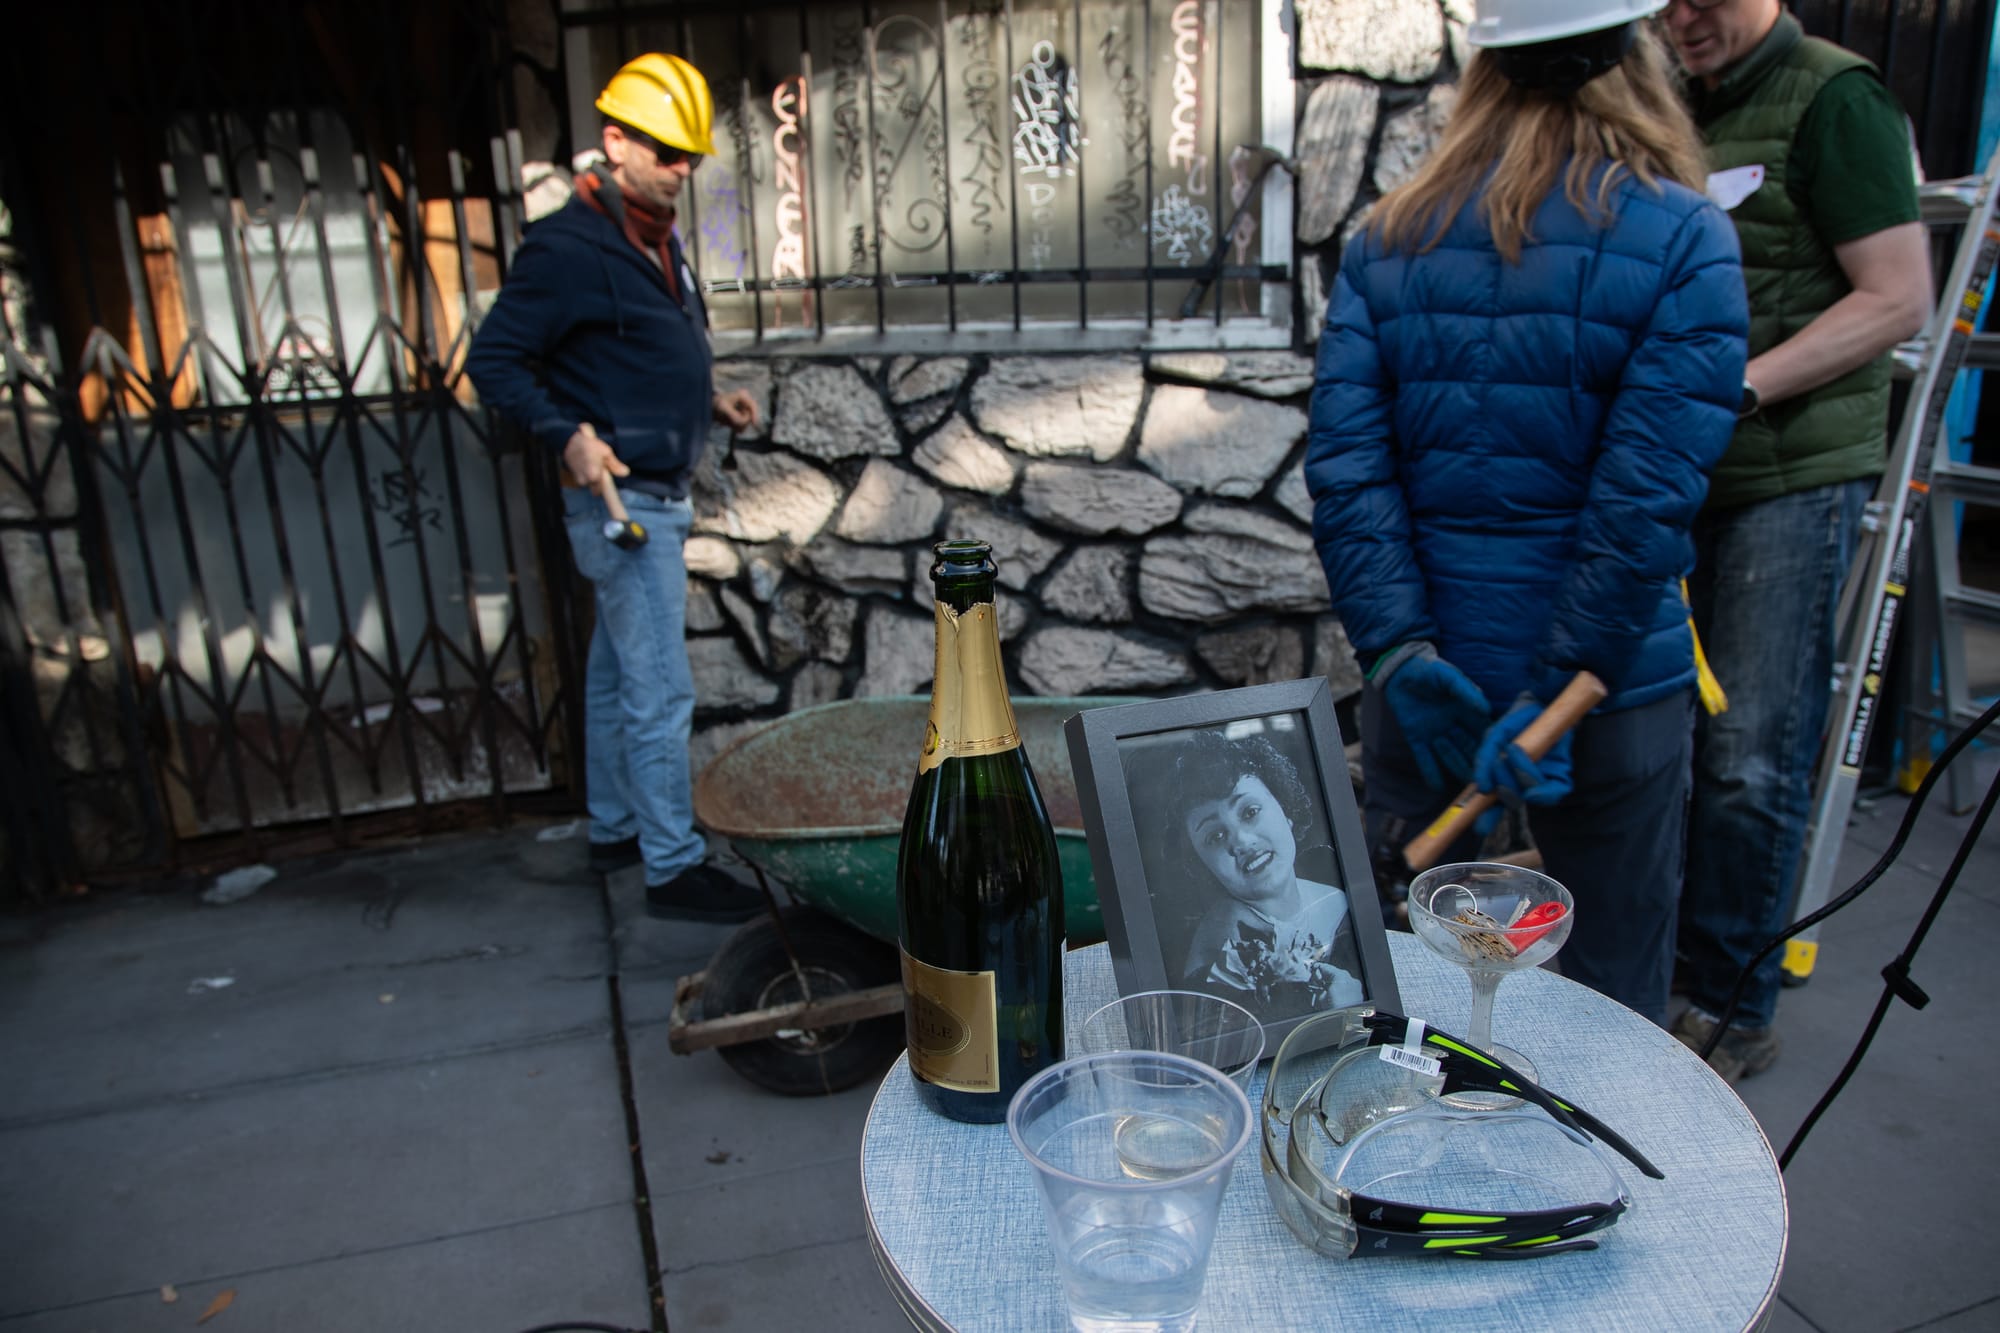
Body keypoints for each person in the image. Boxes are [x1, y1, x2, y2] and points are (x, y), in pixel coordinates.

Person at [1305, 0, 1749, 1026]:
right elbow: (1640, 503)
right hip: (1603, 695)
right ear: (1633, 55)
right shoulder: (1684, 238)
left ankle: (1400, 1175)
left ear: (1483, 73)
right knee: (1610, 989)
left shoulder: (1384, 241)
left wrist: (1398, 659)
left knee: (1406, 986)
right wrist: (1554, 690)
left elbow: (1346, 474)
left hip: (1429, 687)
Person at [1661, 0, 1930, 1077]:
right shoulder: (1668, 103)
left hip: (1787, 472)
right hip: (1672, 471)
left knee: (1745, 754)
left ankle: (1730, 1004)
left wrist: (1739, 387)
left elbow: (1896, 297)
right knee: (1660, 744)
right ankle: (1667, 969)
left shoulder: (1833, 96)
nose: (1681, 17)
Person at [467, 53, 762, 922]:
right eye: (669, 151)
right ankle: (672, 866)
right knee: (659, 688)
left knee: (610, 672)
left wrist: (709, 396)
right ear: (615, 140)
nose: (682, 169)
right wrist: (569, 435)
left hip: (659, 489)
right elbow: (494, 362)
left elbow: (631, 350)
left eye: (691, 158)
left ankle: (611, 829)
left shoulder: (652, 232)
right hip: (622, 507)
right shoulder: (566, 246)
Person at [1131, 728, 1364, 1016]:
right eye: (1215, 836)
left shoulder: (1338, 895)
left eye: (1250, 812)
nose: (1241, 842)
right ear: (1199, 863)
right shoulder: (1223, 954)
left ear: (1285, 809)